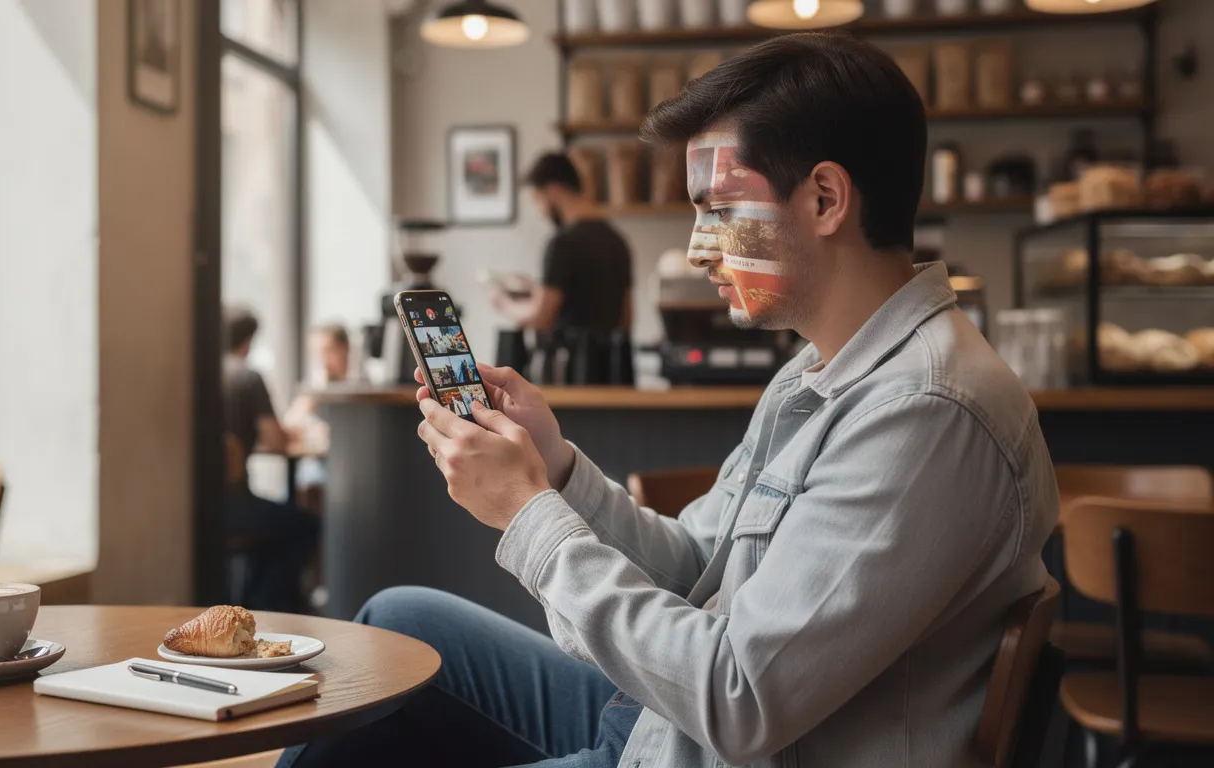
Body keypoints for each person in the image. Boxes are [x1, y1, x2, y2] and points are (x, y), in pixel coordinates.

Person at [279, 34, 1058, 768]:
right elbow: (693, 567)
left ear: (825, 199)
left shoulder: (926, 411)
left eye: (718, 209)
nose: (695, 248)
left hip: (710, 746)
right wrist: (555, 468)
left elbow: (740, 697)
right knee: (396, 617)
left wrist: (526, 515)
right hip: (663, 722)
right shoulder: (816, 373)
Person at [222, 306, 320, 614]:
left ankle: (252, 602)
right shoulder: (247, 376)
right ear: (248, 341)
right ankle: (268, 605)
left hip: (196, 508)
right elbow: (276, 439)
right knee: (304, 524)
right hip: (232, 505)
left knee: (274, 521)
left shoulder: (200, 372)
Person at [492, 153, 633, 336]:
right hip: (609, 363)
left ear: (553, 189)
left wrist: (502, 302)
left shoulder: (562, 243)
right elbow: (627, 319)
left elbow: (542, 320)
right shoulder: (617, 240)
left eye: (538, 200)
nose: (541, 212)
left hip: (570, 361)